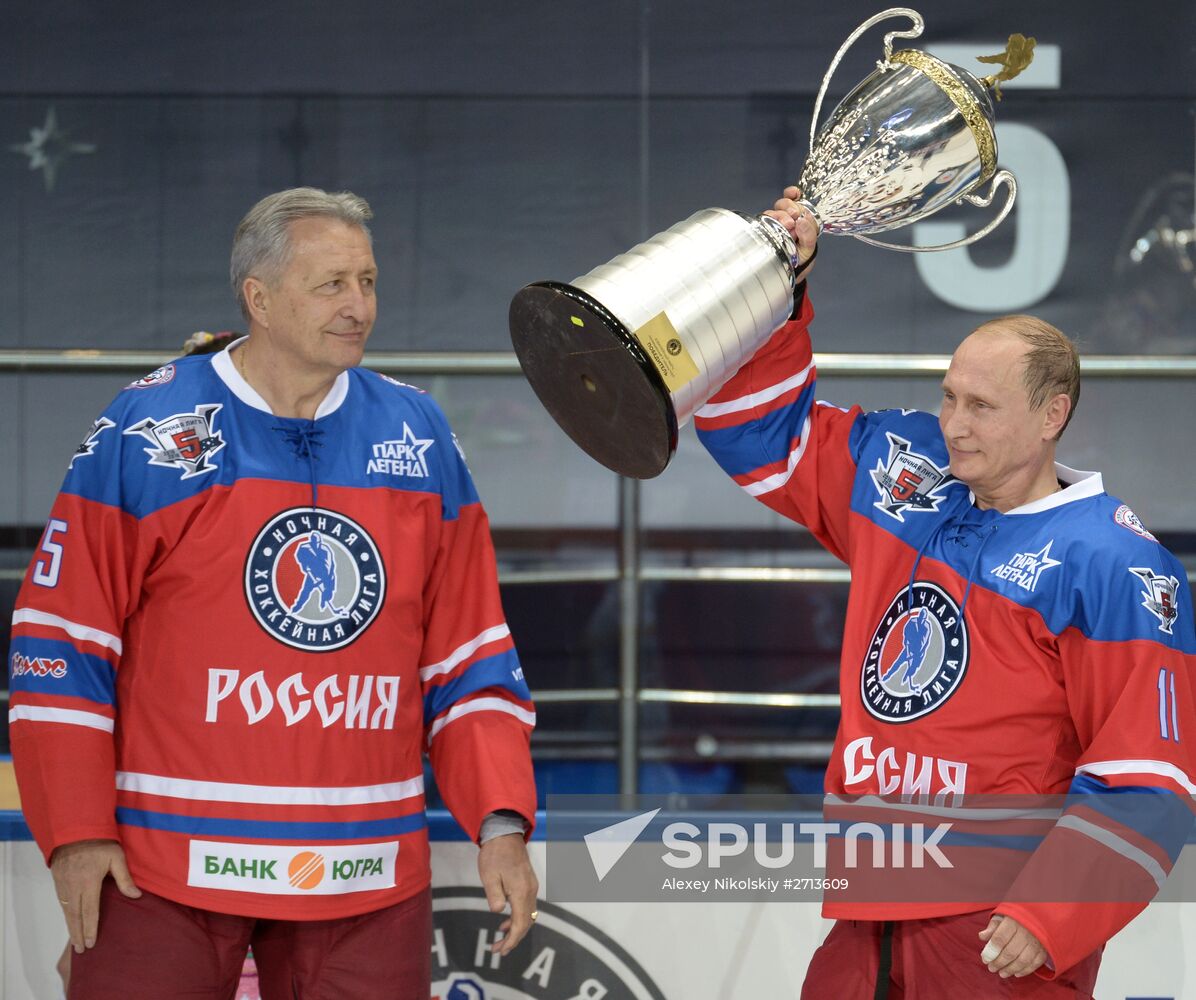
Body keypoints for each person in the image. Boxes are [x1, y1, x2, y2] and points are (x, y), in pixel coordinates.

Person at [9, 188, 538, 999]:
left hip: (365, 877)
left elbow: (467, 654)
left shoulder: (418, 434)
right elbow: (61, 640)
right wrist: (77, 832)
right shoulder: (151, 429)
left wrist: (500, 823)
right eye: (331, 284)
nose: (358, 305)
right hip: (163, 871)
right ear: (257, 298)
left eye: (366, 281)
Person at [695, 186, 1196, 998]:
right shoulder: (912, 477)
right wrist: (774, 286)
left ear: (1051, 417)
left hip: (999, 932)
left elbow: (1150, 780)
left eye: (982, 407)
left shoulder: (1115, 564)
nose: (955, 424)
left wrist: (1048, 917)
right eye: (949, 396)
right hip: (867, 915)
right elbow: (757, 431)